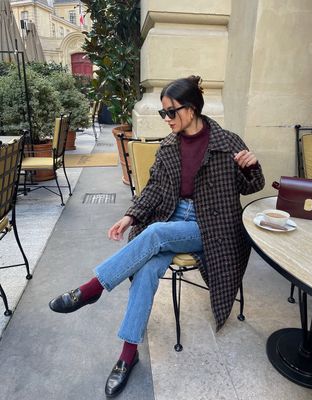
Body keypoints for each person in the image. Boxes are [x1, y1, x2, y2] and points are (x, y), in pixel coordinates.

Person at [49, 76, 265, 398]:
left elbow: (253, 185)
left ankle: (92, 288)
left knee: (156, 232)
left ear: (190, 110)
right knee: (148, 269)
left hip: (211, 227)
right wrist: (129, 215)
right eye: (163, 113)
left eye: (170, 112)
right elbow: (152, 191)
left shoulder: (227, 142)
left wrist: (252, 166)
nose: (166, 119)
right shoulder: (168, 147)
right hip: (173, 217)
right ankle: (127, 354)